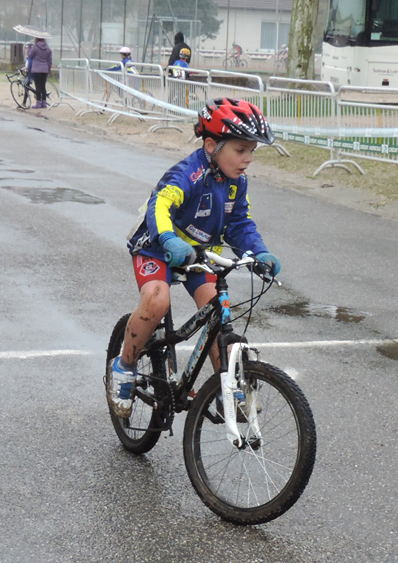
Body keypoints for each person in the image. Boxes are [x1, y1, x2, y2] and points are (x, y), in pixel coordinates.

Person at [108, 98, 281, 419]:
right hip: (157, 246)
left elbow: (239, 222)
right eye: (241, 150)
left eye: (252, 151)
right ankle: (125, 367)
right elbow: (159, 205)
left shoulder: (236, 182)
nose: (248, 159)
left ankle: (226, 388)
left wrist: (259, 251)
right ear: (213, 145)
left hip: (199, 256)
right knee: (157, 301)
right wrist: (168, 238)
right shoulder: (189, 173)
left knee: (219, 312)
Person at [27, 36, 52, 108]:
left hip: (37, 70)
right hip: (45, 70)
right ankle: (44, 103)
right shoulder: (48, 49)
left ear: (37, 39)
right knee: (43, 86)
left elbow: (30, 56)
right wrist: (48, 70)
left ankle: (38, 103)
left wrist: (29, 48)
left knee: (38, 87)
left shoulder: (35, 47)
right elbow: (50, 61)